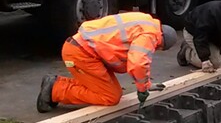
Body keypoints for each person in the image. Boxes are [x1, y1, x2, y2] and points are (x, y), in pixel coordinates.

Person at [37, 12, 178, 112]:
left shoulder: (146, 22)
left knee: (109, 90)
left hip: (83, 50)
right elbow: (138, 64)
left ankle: (56, 83)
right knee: (110, 96)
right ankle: (55, 90)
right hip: (81, 54)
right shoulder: (151, 36)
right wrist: (143, 88)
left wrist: (146, 84)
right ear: (161, 44)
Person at [177, 1, 221, 76]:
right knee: (214, 63)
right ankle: (187, 51)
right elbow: (200, 37)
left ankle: (215, 51)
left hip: (217, 37)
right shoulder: (210, 14)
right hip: (194, 33)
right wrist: (204, 59)